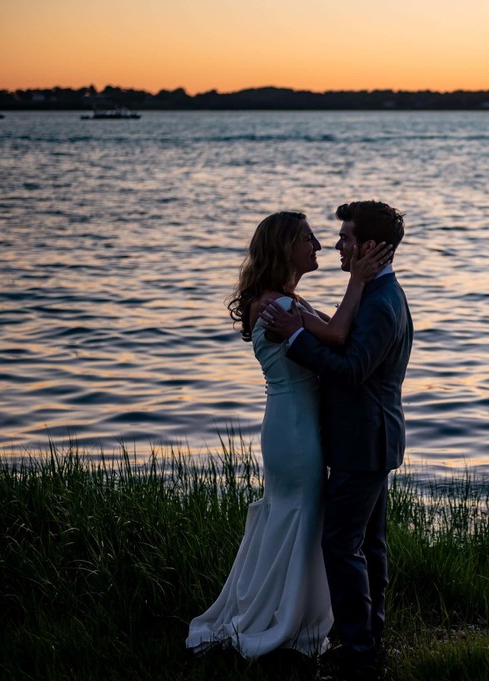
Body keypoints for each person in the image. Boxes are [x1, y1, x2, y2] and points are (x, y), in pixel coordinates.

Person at [186, 210, 392, 659]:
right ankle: (285, 621)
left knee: (294, 518)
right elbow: (338, 334)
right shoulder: (279, 307)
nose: (317, 245)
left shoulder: (285, 302)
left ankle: (287, 614)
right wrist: (357, 279)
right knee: (298, 519)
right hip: (297, 432)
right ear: (284, 248)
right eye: (307, 238)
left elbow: (334, 328)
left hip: (287, 424)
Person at [261, 201, 413, 676]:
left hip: (362, 442)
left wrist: (295, 338)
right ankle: (368, 640)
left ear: (369, 246)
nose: (339, 245)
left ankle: (359, 653)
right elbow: (342, 339)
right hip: (368, 439)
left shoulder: (382, 304)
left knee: (343, 546)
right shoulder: (375, 293)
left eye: (346, 237)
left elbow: (349, 373)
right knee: (369, 545)